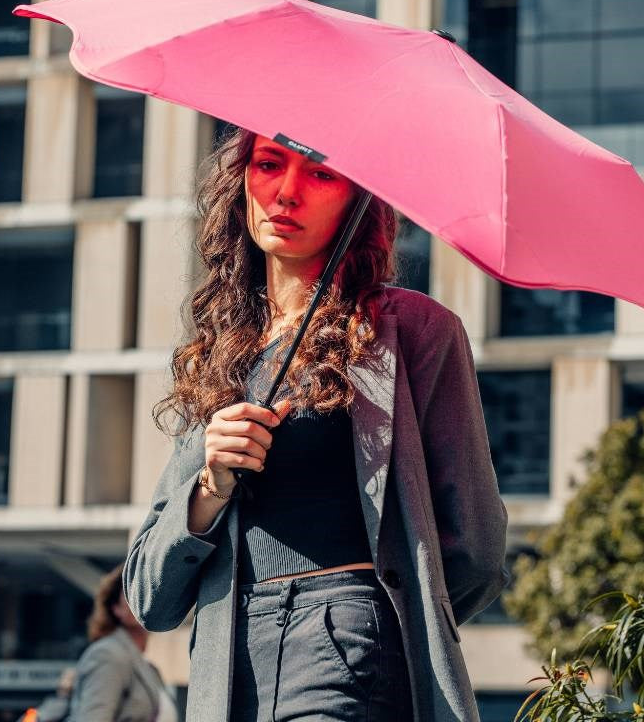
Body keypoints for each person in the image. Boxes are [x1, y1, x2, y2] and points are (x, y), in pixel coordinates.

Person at [124, 127, 509, 722]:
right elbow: (151, 596)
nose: (286, 194)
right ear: (241, 182)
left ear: (359, 201)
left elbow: (476, 548)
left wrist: (392, 617)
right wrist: (209, 487)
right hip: (224, 656)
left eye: (322, 174)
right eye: (269, 164)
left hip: (347, 636)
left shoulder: (414, 331)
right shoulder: (220, 354)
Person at [67, 563, 178, 722]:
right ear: (116, 609)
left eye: (148, 590)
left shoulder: (148, 668)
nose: (143, 598)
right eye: (132, 593)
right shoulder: (108, 654)